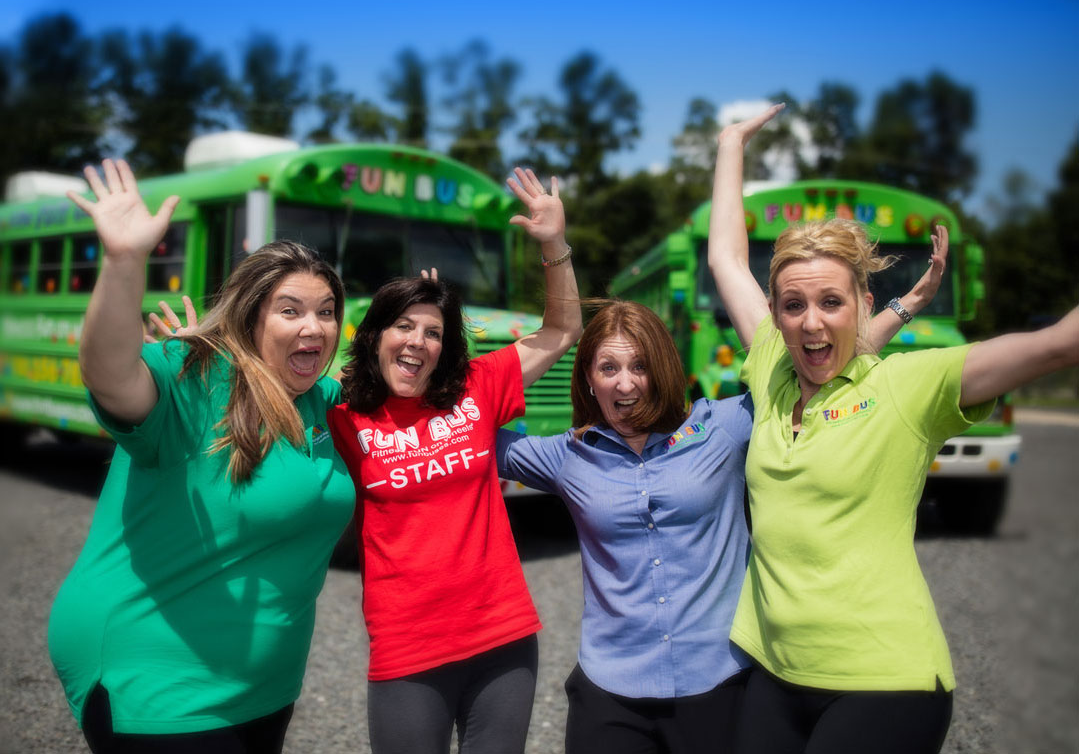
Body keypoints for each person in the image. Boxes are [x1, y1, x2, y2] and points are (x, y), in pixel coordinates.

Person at [709, 104, 1079, 754]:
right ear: (775, 313)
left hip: (885, 679)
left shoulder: (908, 386)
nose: (810, 321)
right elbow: (725, 258)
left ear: (863, 305)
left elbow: (1053, 345)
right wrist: (730, 143)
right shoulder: (770, 364)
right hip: (774, 672)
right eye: (793, 305)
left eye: (831, 301)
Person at [493, 260, 940, 754]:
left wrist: (903, 307)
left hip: (719, 684)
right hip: (610, 691)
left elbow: (817, 368)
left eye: (639, 365)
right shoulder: (566, 455)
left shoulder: (725, 427)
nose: (625, 384)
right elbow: (467, 433)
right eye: (608, 368)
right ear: (589, 378)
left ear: (662, 367)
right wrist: (433, 345)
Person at [48, 159, 355, 753]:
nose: (314, 326)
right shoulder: (192, 378)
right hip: (159, 677)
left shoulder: (323, 400)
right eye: (290, 310)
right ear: (251, 315)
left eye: (326, 311)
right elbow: (109, 373)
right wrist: (123, 261)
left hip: (263, 684)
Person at [326, 168, 582, 754]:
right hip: (407, 645)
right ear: (373, 337)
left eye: (433, 332)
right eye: (402, 326)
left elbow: (563, 329)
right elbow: (270, 380)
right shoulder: (343, 411)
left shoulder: (477, 386)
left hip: (503, 635)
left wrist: (553, 245)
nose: (417, 341)